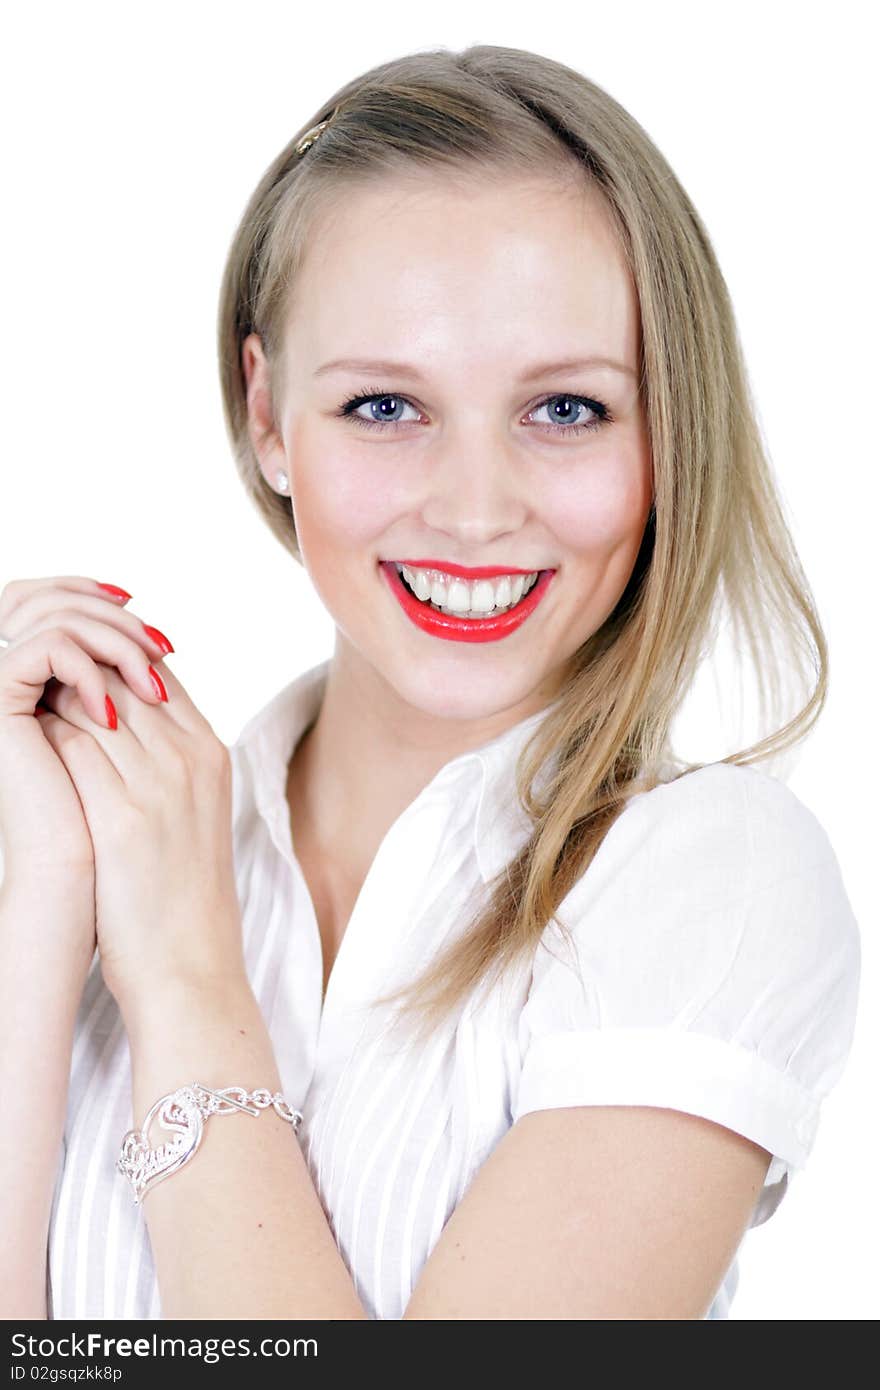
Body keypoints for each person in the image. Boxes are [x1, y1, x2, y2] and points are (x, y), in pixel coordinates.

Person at [0, 44, 860, 1321]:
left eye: (565, 409)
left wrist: (185, 979)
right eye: (384, 407)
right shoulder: (104, 835)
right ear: (266, 416)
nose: (472, 511)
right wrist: (41, 900)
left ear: (667, 432)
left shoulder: (711, 877)